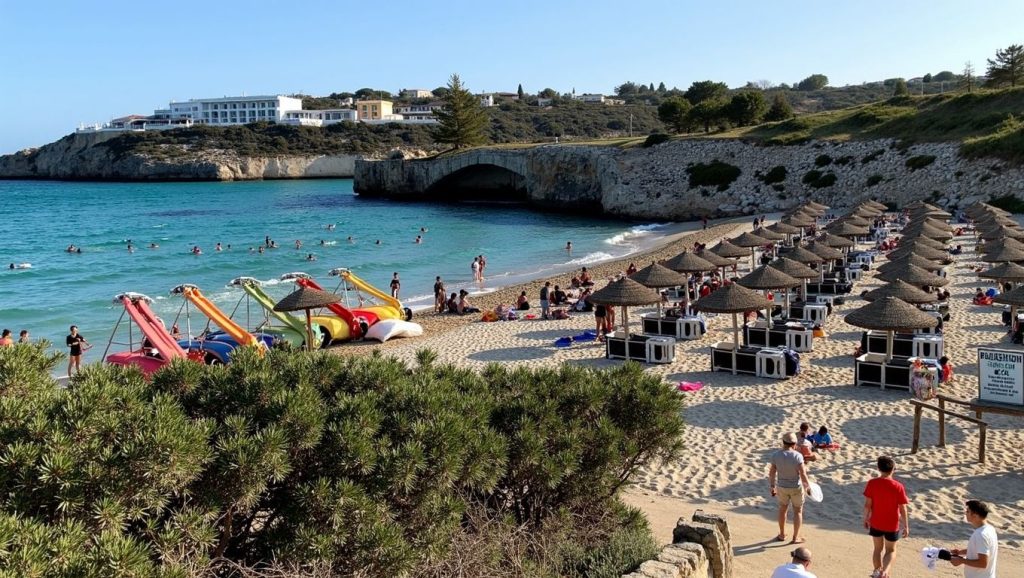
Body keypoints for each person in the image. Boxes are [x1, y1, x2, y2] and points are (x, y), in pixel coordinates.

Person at [863, 455, 910, 578]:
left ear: (879, 469)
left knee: (877, 549)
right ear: (893, 469)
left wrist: (865, 518)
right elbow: (903, 508)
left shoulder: (872, 483)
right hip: (892, 523)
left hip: (876, 521)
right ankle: (885, 572)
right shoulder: (898, 486)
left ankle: (877, 571)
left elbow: (868, 505)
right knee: (891, 550)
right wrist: (906, 525)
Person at [768, 432, 813, 544]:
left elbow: (772, 473)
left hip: (782, 487)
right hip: (795, 487)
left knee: (782, 509)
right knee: (798, 511)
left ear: (783, 442)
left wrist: (772, 486)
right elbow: (803, 474)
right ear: (794, 444)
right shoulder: (797, 456)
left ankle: (782, 534)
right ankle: (795, 537)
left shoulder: (776, 455)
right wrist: (807, 487)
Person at [947, 499, 998, 577]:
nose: (965, 513)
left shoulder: (981, 535)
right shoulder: (990, 529)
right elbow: (981, 550)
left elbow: (983, 563)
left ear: (975, 515)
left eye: (968, 511)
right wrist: (960, 552)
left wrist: (961, 560)